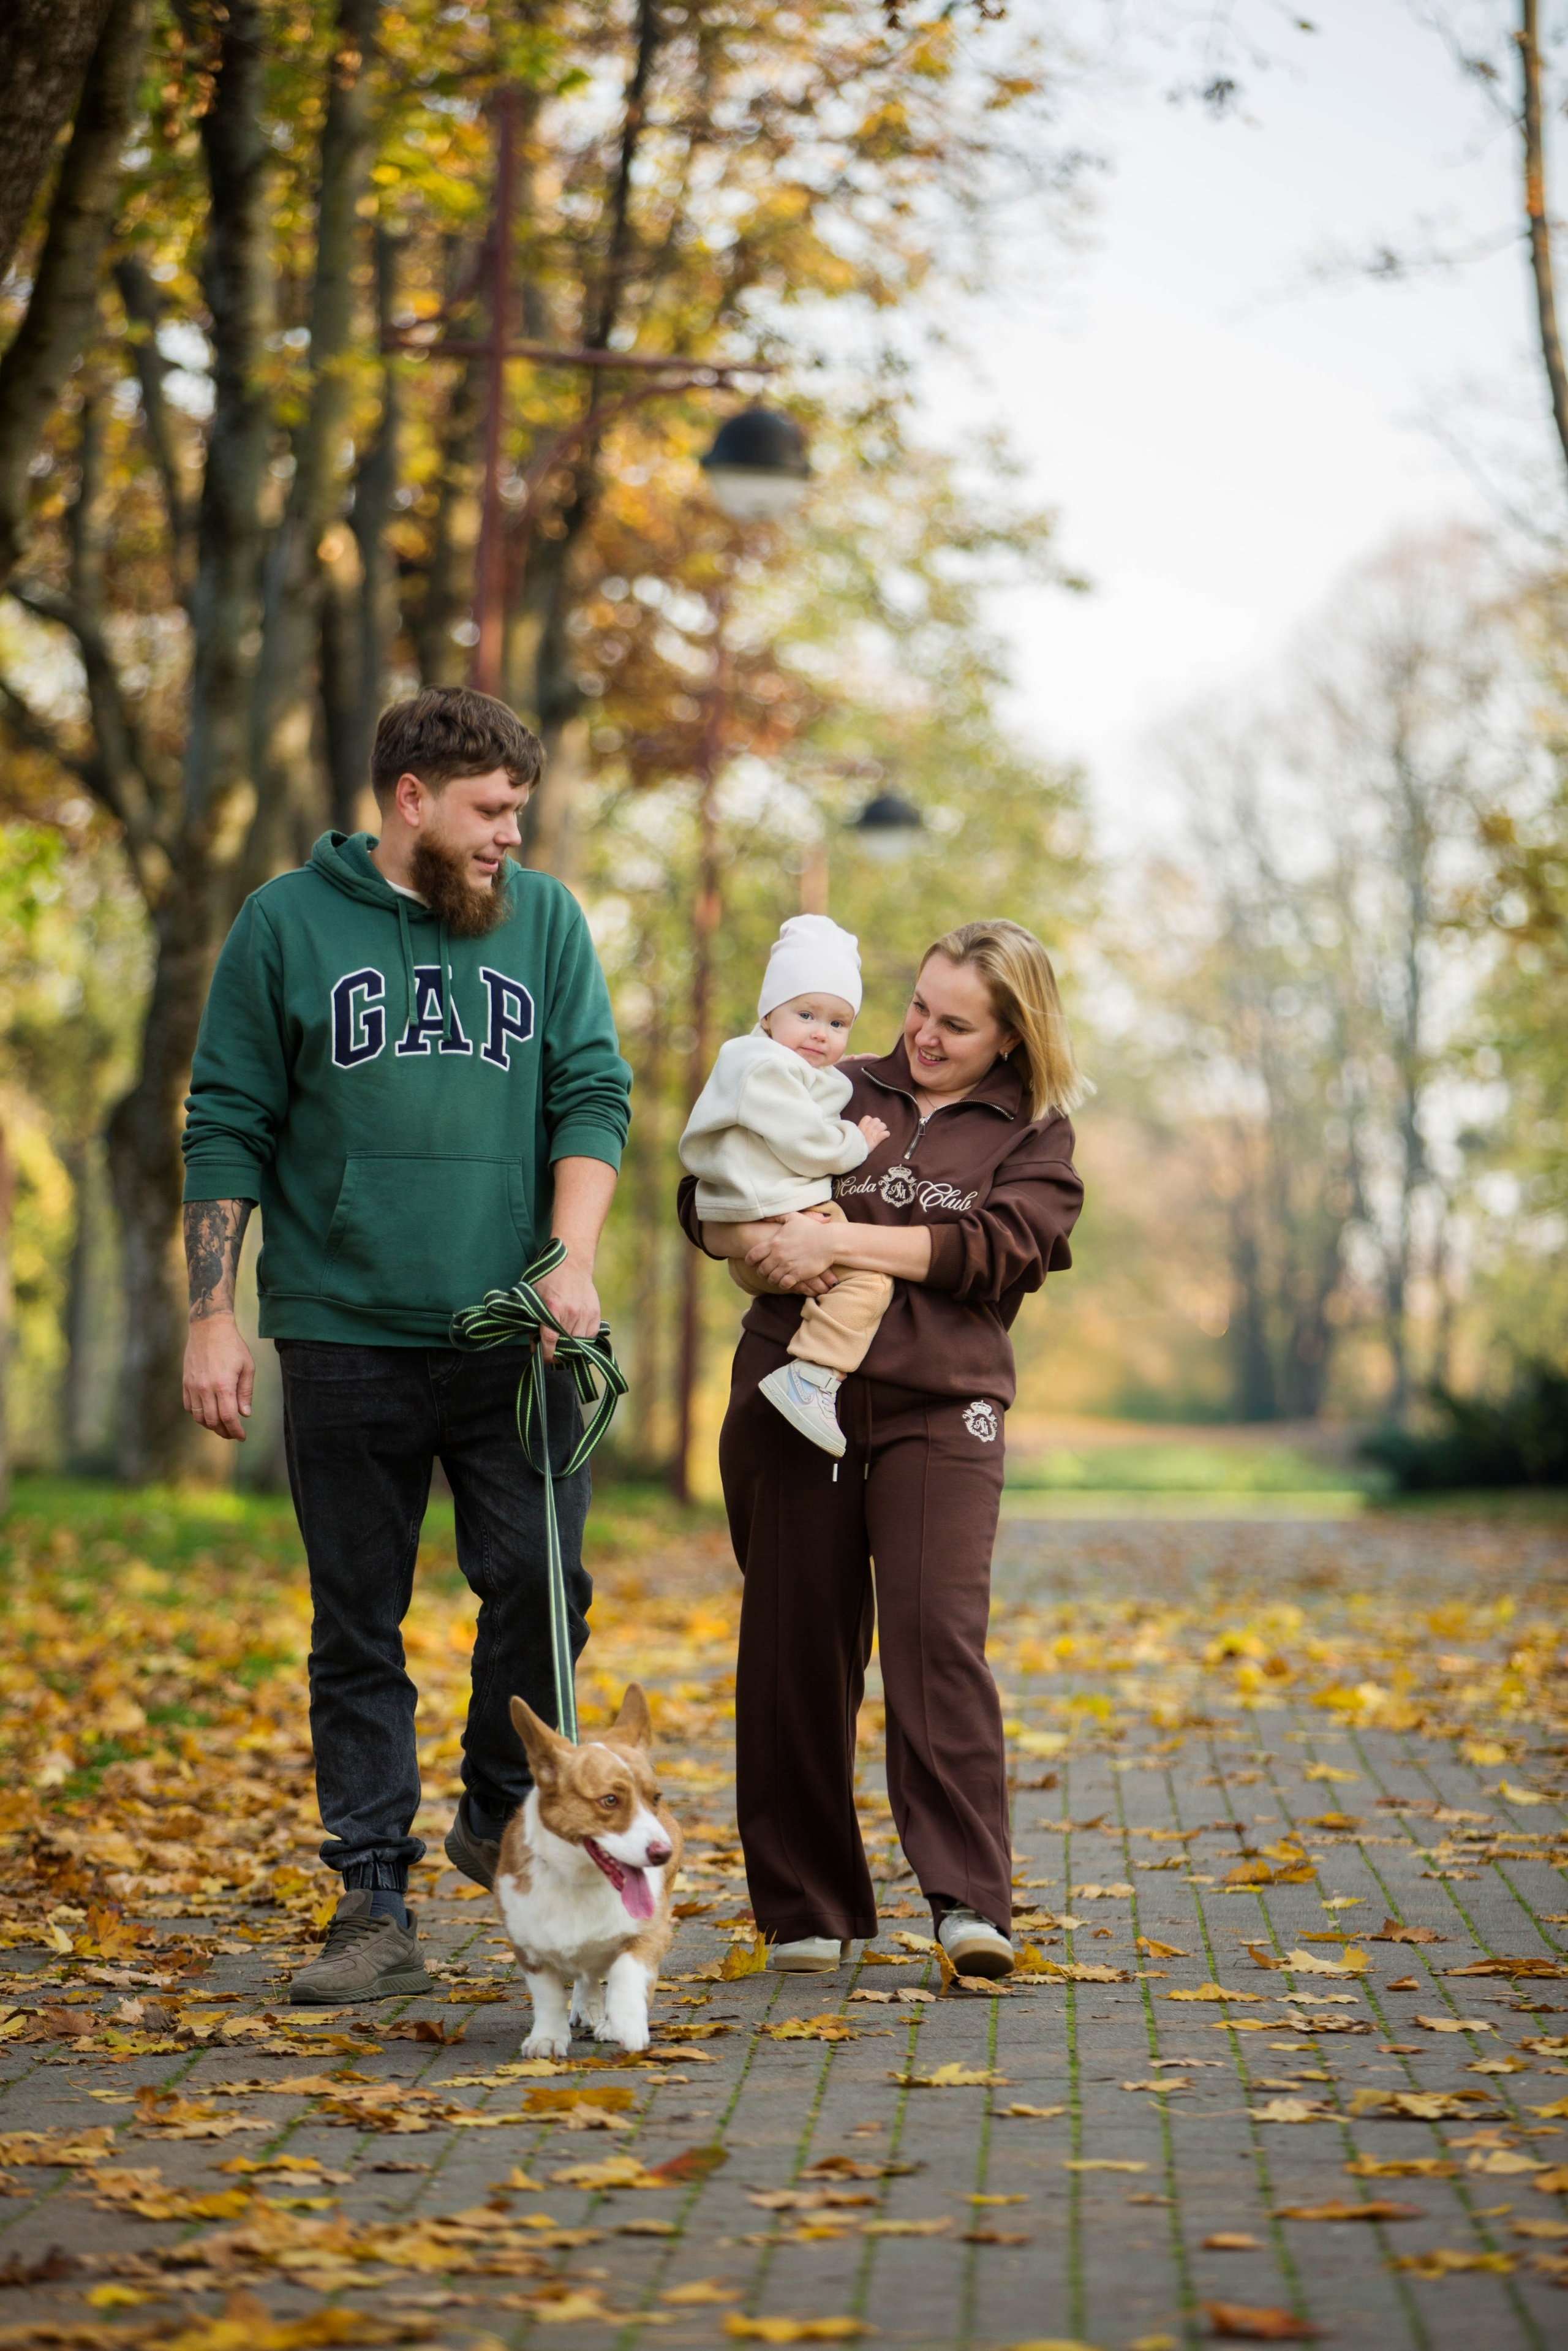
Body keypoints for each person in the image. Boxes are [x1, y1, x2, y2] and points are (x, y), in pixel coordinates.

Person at [181, 686, 632, 2002]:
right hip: (341, 1331)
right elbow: (228, 1120)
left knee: (545, 1587)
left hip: (517, 1335)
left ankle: (495, 1809)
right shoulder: (284, 924)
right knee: (356, 1624)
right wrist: (212, 1309)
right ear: (411, 798)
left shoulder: (542, 920)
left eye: (519, 813)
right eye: (489, 811)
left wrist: (572, 1258)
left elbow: (589, 1090)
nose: (508, 836)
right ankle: (371, 1902)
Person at [678, 918, 1084, 1980]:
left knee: (933, 1639)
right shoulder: (823, 1073)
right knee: (793, 1649)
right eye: (917, 1007)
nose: (923, 1036)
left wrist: (840, 1239)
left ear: (1012, 1035)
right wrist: (751, 1238)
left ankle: (967, 1903)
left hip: (940, 1410)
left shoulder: (1032, 1132)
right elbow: (707, 1184)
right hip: (789, 1399)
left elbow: (1002, 1250)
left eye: (957, 1024)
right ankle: (804, 1906)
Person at [677, 913, 892, 1459]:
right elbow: (804, 1140)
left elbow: (819, 1093)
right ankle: (813, 1376)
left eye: (839, 1023)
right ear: (768, 1013)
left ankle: (811, 1378)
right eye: (806, 1014)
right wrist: (855, 1143)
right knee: (869, 1282)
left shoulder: (769, 1062)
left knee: (827, 1278)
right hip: (776, 1210)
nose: (822, 1033)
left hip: (755, 1224)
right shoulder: (763, 1067)